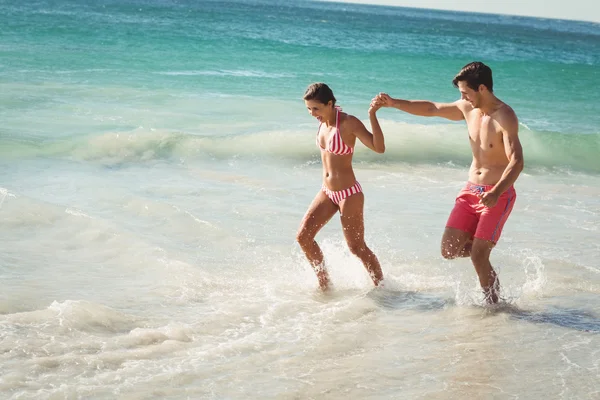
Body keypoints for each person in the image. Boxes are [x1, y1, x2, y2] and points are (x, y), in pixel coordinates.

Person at [373, 61, 524, 303]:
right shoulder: (468, 109)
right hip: (470, 190)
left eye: (466, 92)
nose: (463, 97)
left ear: (482, 88)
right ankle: (482, 251)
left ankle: (495, 306)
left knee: (478, 256)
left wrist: (496, 192)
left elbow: (516, 162)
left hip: (497, 194)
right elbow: (432, 108)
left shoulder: (504, 116)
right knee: (449, 251)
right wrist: (394, 103)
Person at [297, 83, 385, 290]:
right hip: (327, 192)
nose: (312, 114)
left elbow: (379, 148)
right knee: (303, 237)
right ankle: (325, 285)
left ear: (330, 103)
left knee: (356, 247)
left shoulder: (348, 123)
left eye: (316, 108)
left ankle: (382, 287)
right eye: (309, 109)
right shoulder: (323, 123)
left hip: (349, 194)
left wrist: (372, 115)